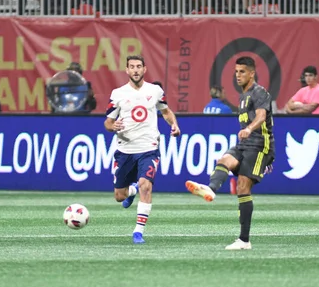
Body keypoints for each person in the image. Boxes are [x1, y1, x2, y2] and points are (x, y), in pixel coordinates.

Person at [186, 56, 275, 250]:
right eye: (236, 72)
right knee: (224, 159)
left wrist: (250, 129)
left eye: (242, 71)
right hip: (245, 144)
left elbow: (261, 116)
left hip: (260, 145)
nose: (238, 75)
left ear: (252, 73)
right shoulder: (243, 95)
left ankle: (244, 240)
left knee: (243, 187)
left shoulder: (260, 92)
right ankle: (211, 188)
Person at [104, 55, 181, 244]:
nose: (136, 70)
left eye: (139, 66)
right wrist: (112, 127)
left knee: (146, 186)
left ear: (145, 69)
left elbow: (166, 111)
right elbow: (108, 121)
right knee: (118, 196)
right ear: (127, 70)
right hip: (125, 150)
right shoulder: (118, 93)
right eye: (132, 67)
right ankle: (131, 190)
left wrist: (174, 124)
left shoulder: (155, 91)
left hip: (149, 148)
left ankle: (138, 232)